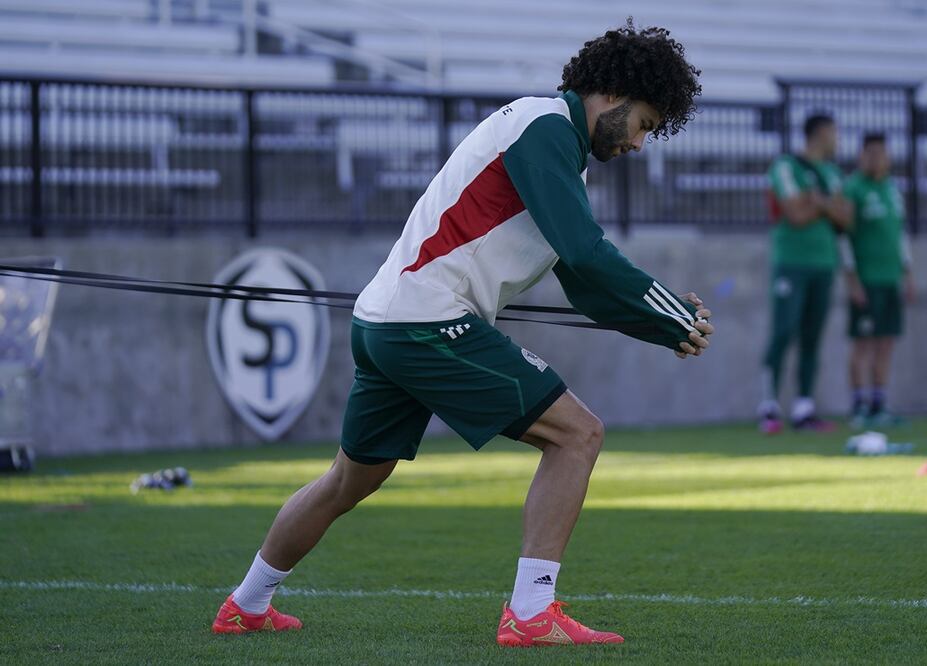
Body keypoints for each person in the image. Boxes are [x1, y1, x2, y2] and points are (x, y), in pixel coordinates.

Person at [211, 22, 711, 647]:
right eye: (643, 121)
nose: (640, 141)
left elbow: (581, 282)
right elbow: (585, 254)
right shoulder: (546, 128)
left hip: (387, 324)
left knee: (350, 479)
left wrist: (664, 326)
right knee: (577, 436)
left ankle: (245, 604)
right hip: (425, 322)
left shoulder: (555, 152)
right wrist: (671, 315)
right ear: (612, 93)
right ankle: (531, 615)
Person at [758, 112, 853, 434]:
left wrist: (819, 203)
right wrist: (825, 207)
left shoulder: (831, 173)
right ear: (821, 133)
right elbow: (796, 214)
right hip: (792, 262)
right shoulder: (786, 166)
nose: (838, 139)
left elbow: (847, 219)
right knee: (784, 331)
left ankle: (804, 407)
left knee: (812, 336)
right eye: (834, 132)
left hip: (824, 265)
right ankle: (769, 405)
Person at [842, 133, 914, 427]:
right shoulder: (853, 190)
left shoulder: (893, 190)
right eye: (870, 153)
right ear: (861, 156)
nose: (876, 159)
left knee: (885, 344)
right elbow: (844, 238)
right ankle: (859, 406)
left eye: (880, 153)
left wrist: (908, 274)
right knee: (863, 344)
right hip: (866, 280)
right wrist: (853, 280)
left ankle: (879, 404)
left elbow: (900, 236)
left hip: (890, 279)